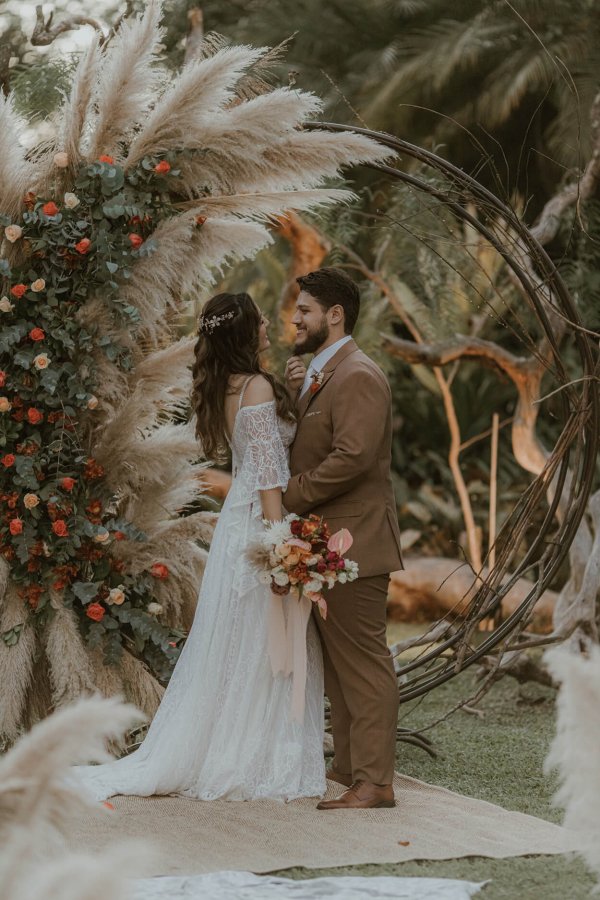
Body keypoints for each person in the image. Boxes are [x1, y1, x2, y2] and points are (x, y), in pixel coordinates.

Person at [71, 292, 326, 802]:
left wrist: (293, 397)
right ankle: (253, 754)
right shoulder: (254, 387)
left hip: (239, 524)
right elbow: (270, 477)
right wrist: (283, 547)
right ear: (244, 332)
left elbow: (262, 450)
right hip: (260, 522)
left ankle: (226, 744)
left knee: (237, 642)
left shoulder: (228, 387)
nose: (267, 329)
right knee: (260, 641)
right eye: (259, 323)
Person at [284, 267, 403, 810]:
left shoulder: (358, 374)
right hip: (329, 545)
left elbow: (353, 456)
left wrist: (294, 494)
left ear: (335, 315)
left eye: (304, 309)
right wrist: (297, 392)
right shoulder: (325, 373)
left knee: (364, 660)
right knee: (339, 662)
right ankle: (352, 767)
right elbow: (320, 436)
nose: (295, 318)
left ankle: (376, 782)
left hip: (354, 542)